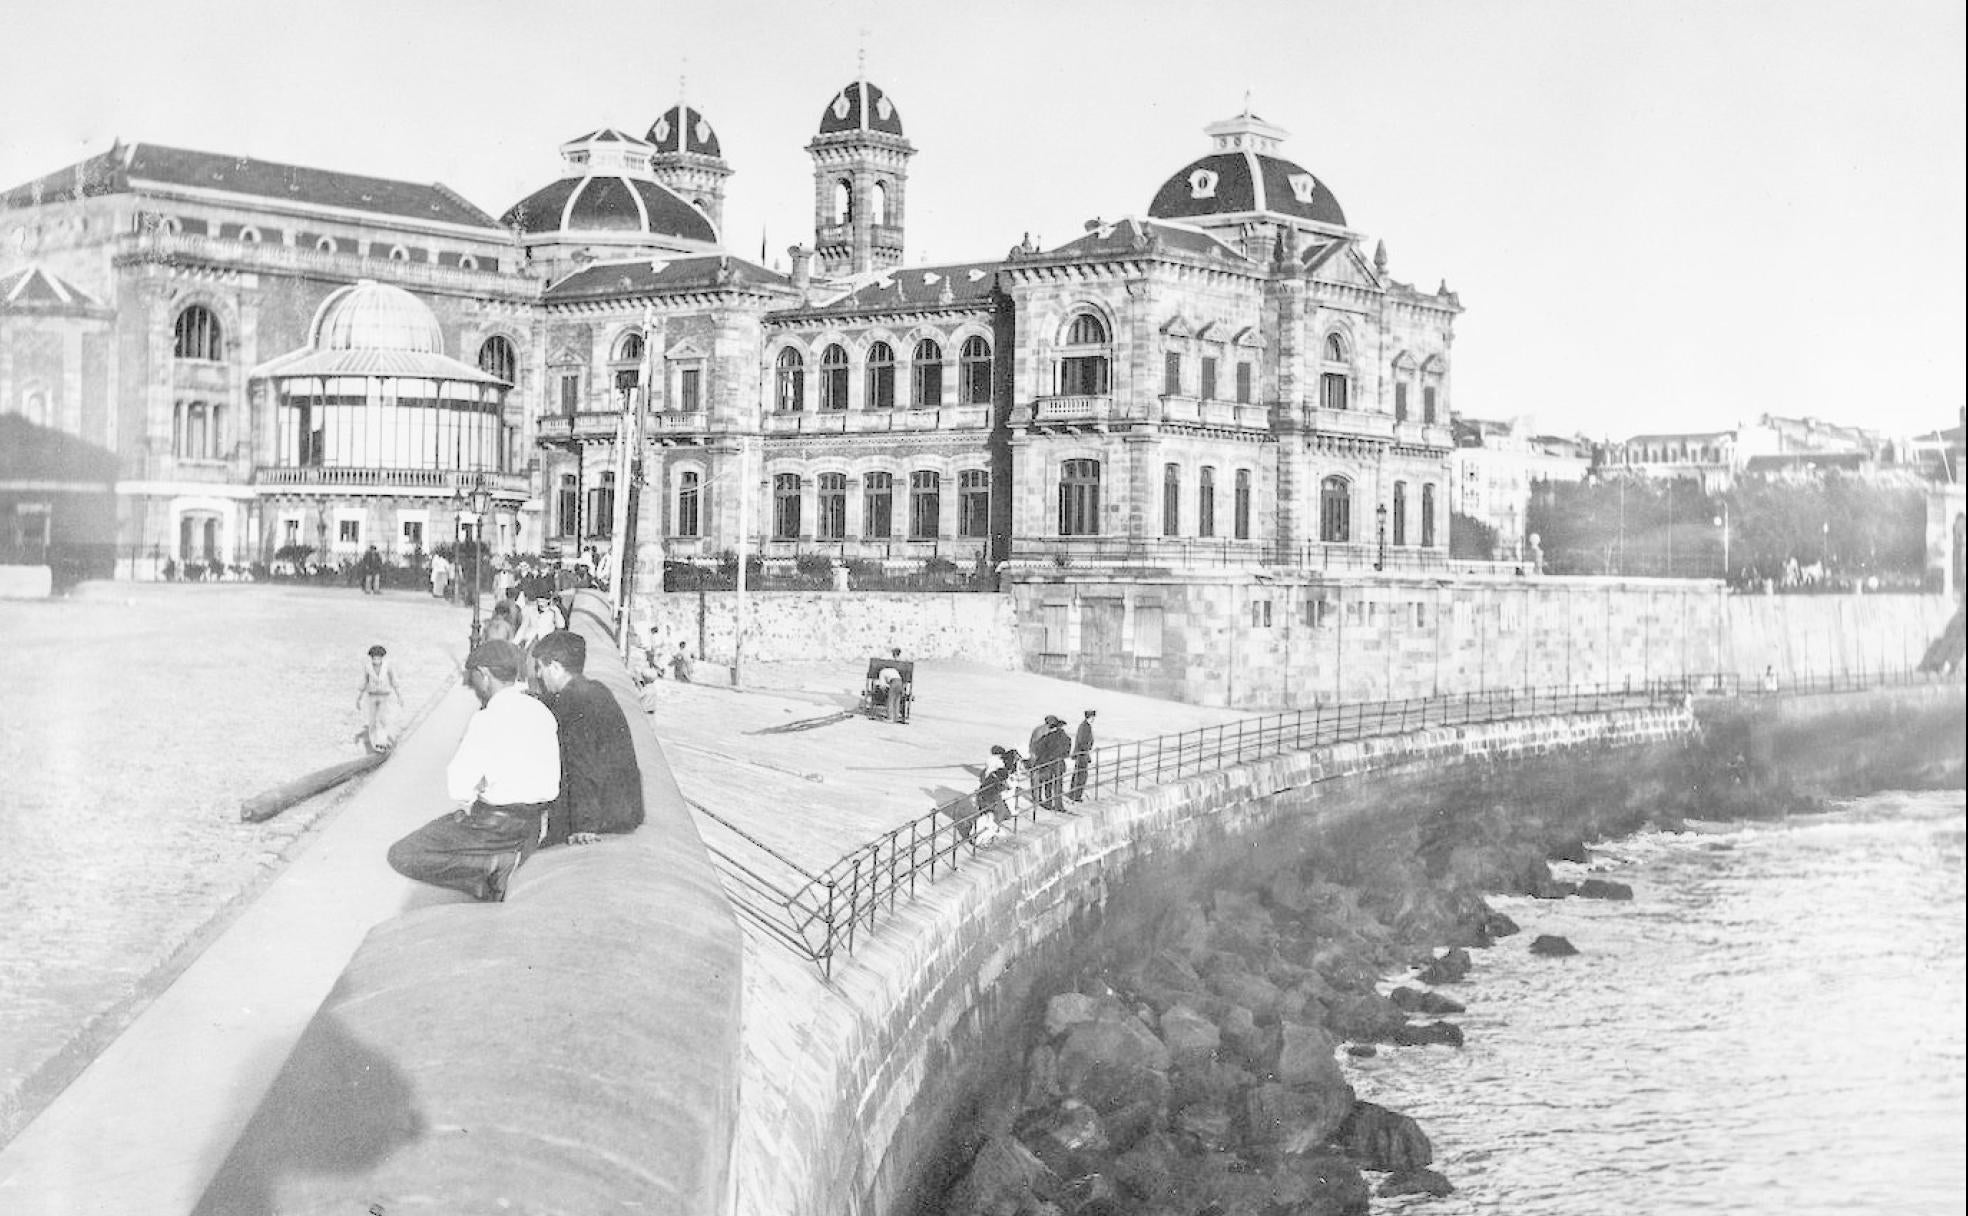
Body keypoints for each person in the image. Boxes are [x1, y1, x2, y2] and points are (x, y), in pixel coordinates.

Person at [386, 640, 559, 902]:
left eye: (474, 677)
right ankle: (491, 874)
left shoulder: (487, 718)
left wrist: (477, 791)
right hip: (533, 826)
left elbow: (458, 786)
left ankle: (487, 867)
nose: (473, 685)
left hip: (494, 827)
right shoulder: (541, 710)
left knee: (403, 854)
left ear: (485, 675)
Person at [530, 630, 646, 848]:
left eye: (540, 668)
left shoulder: (572, 700)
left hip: (605, 815)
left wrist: (584, 825)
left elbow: (582, 764)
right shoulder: (595, 689)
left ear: (555, 667)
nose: (537, 675)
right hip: (625, 806)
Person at [356, 644, 404, 753]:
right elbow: (364, 682)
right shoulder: (368, 667)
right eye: (374, 658)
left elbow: (394, 681)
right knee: (372, 721)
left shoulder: (387, 667)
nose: (376, 661)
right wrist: (358, 698)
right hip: (372, 696)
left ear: (382, 658)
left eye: (378, 658)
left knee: (382, 719)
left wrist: (399, 696)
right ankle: (375, 744)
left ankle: (382, 742)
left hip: (384, 696)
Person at [1031, 715, 1072, 812]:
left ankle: (1049, 803)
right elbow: (1067, 752)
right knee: (1058, 785)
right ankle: (1059, 805)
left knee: (1048, 784)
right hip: (1059, 763)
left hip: (1049, 763)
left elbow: (1039, 749)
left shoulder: (1048, 737)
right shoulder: (1066, 738)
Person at [1069, 709, 1096, 802]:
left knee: (1079, 774)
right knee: (1081, 775)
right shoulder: (1084, 727)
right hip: (1082, 754)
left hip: (1083, 754)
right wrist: (1086, 749)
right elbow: (1081, 741)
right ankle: (1075, 795)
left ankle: (1074, 794)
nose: (1093, 719)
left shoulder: (1086, 726)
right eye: (1092, 717)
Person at [876, 647, 907, 724]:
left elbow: (883, 685)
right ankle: (896, 718)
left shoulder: (882, 672)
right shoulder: (893, 670)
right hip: (900, 681)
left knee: (890, 700)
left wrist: (884, 692)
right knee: (897, 700)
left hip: (893, 682)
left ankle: (890, 718)